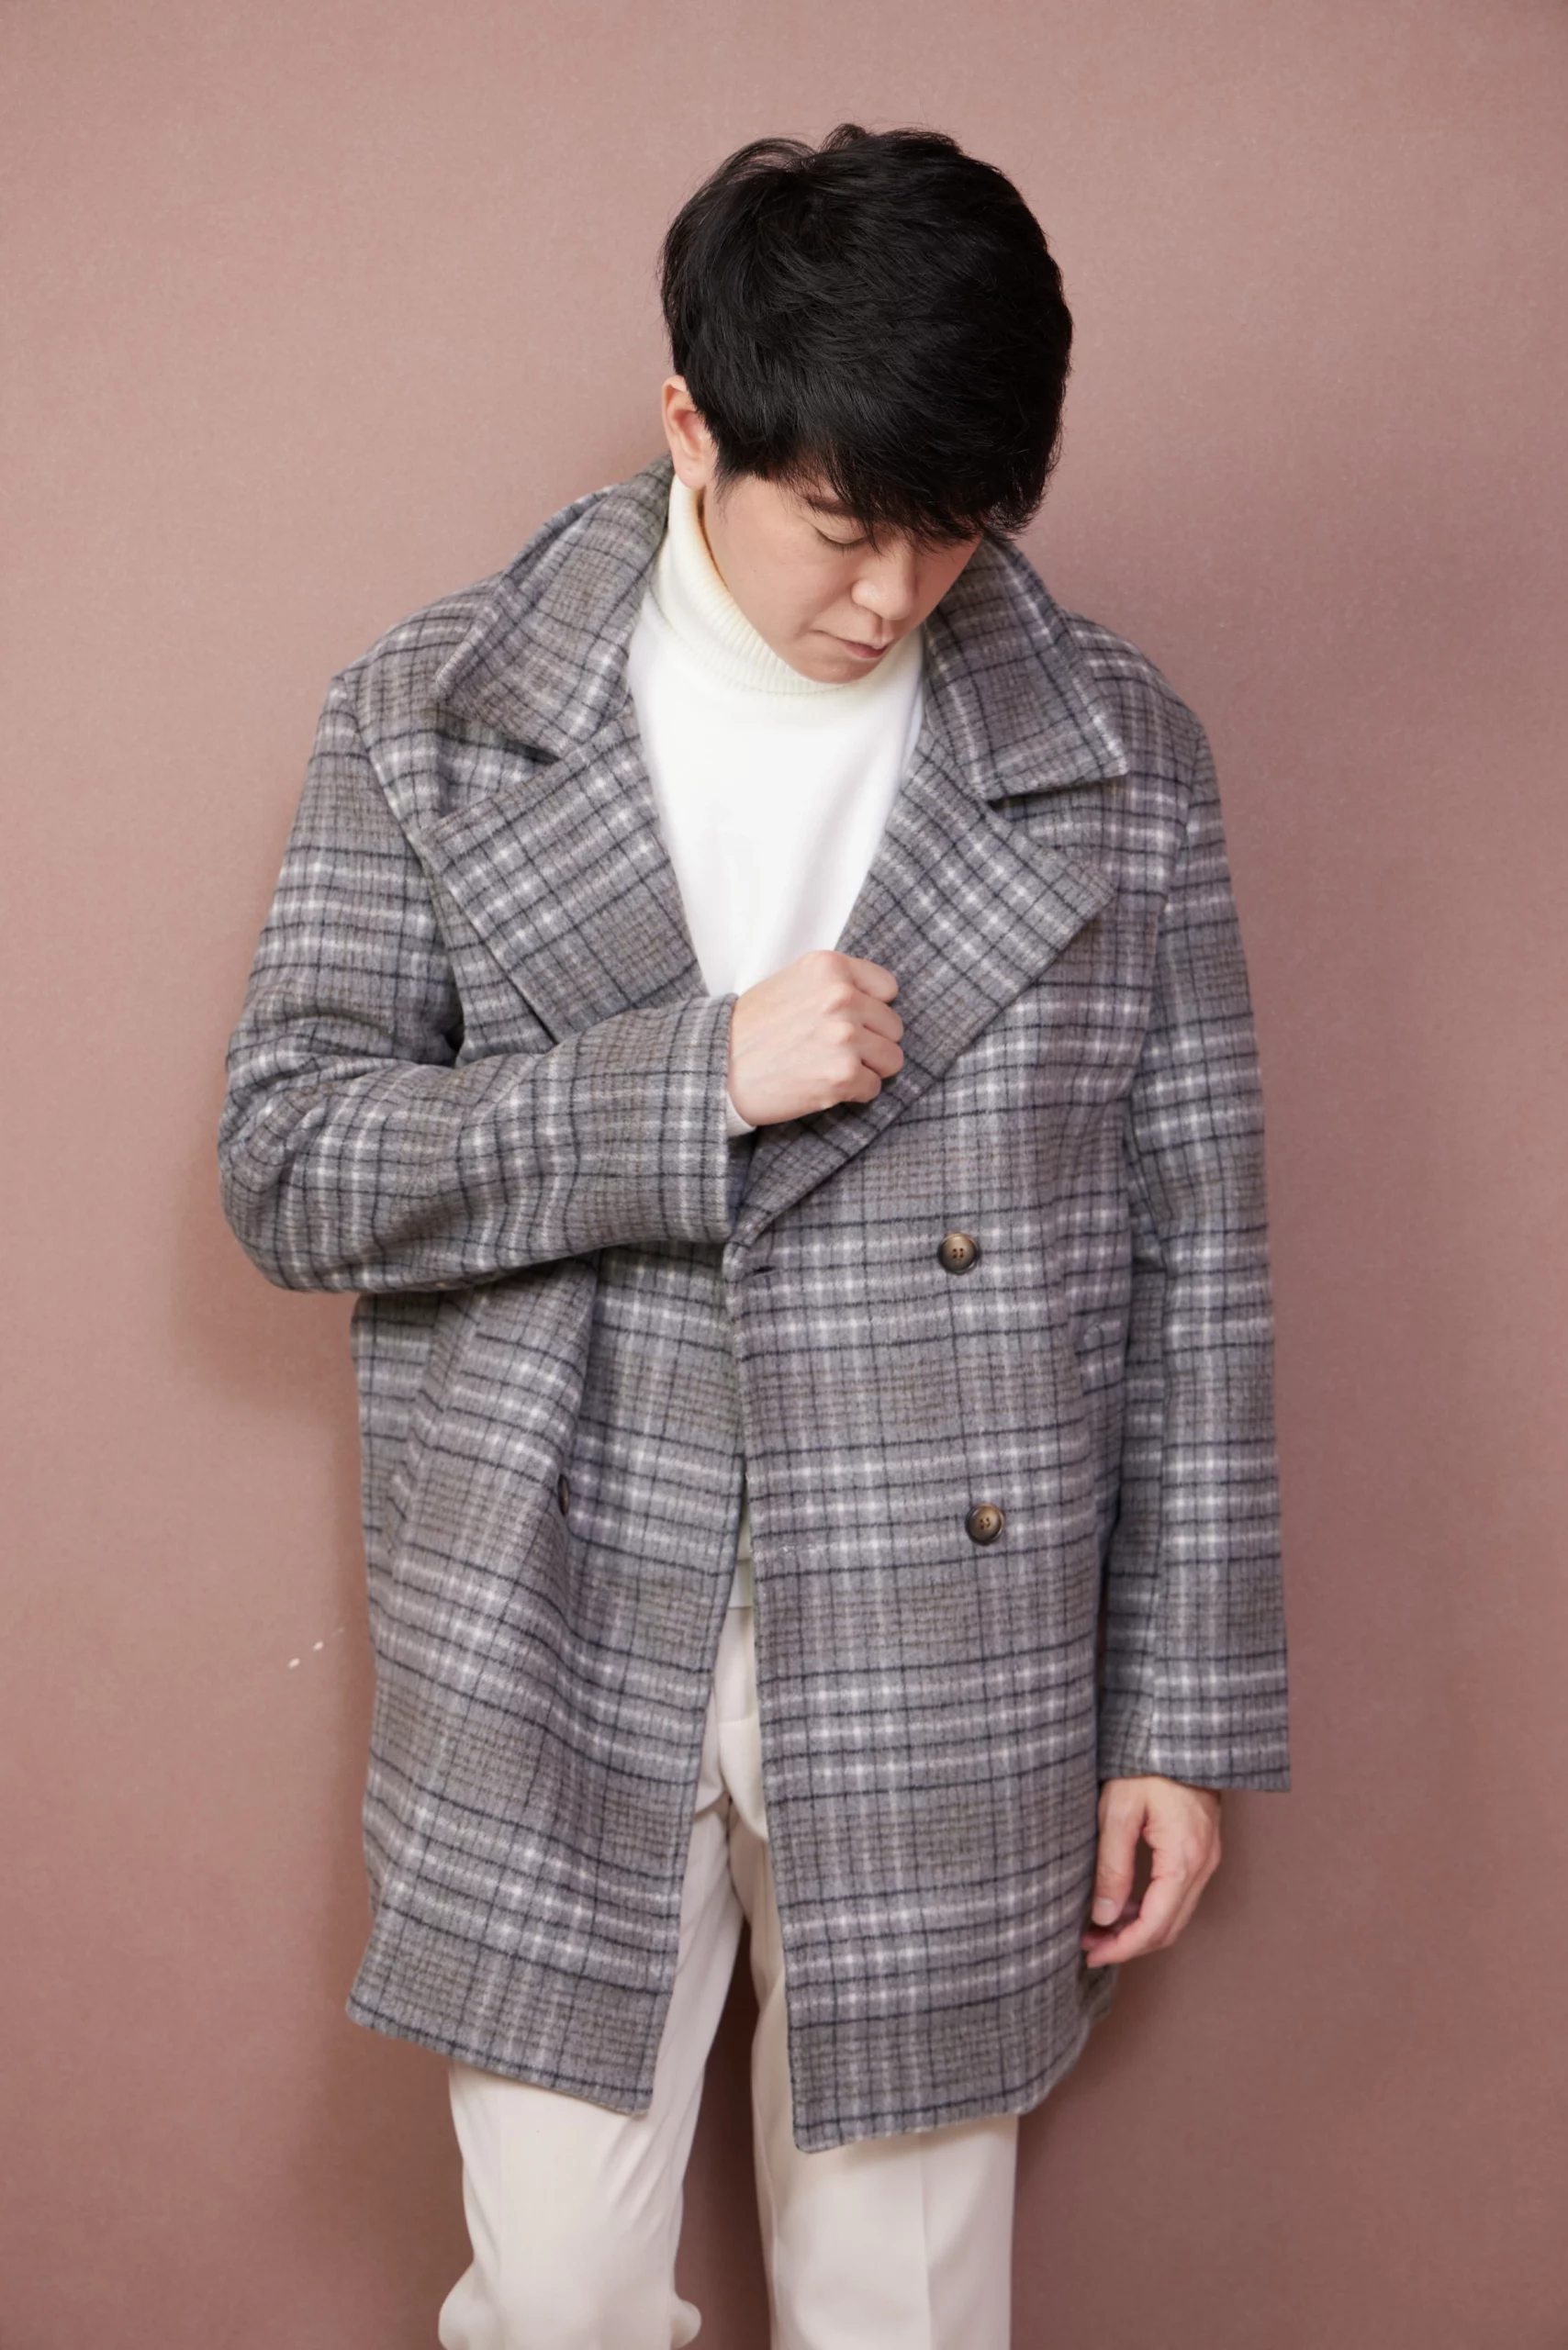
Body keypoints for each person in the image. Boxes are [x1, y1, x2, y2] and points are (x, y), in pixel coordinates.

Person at [218, 123, 1290, 2350]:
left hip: (948, 1609)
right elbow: (292, 1163)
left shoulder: (1115, 754)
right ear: (691, 423)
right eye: (841, 522)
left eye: (954, 527)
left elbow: (1193, 1252)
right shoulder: (433, 715)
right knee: (562, 2294)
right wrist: (689, 1078)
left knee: (905, 2301)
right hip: (552, 1590)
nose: (893, 591)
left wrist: (1176, 1707)